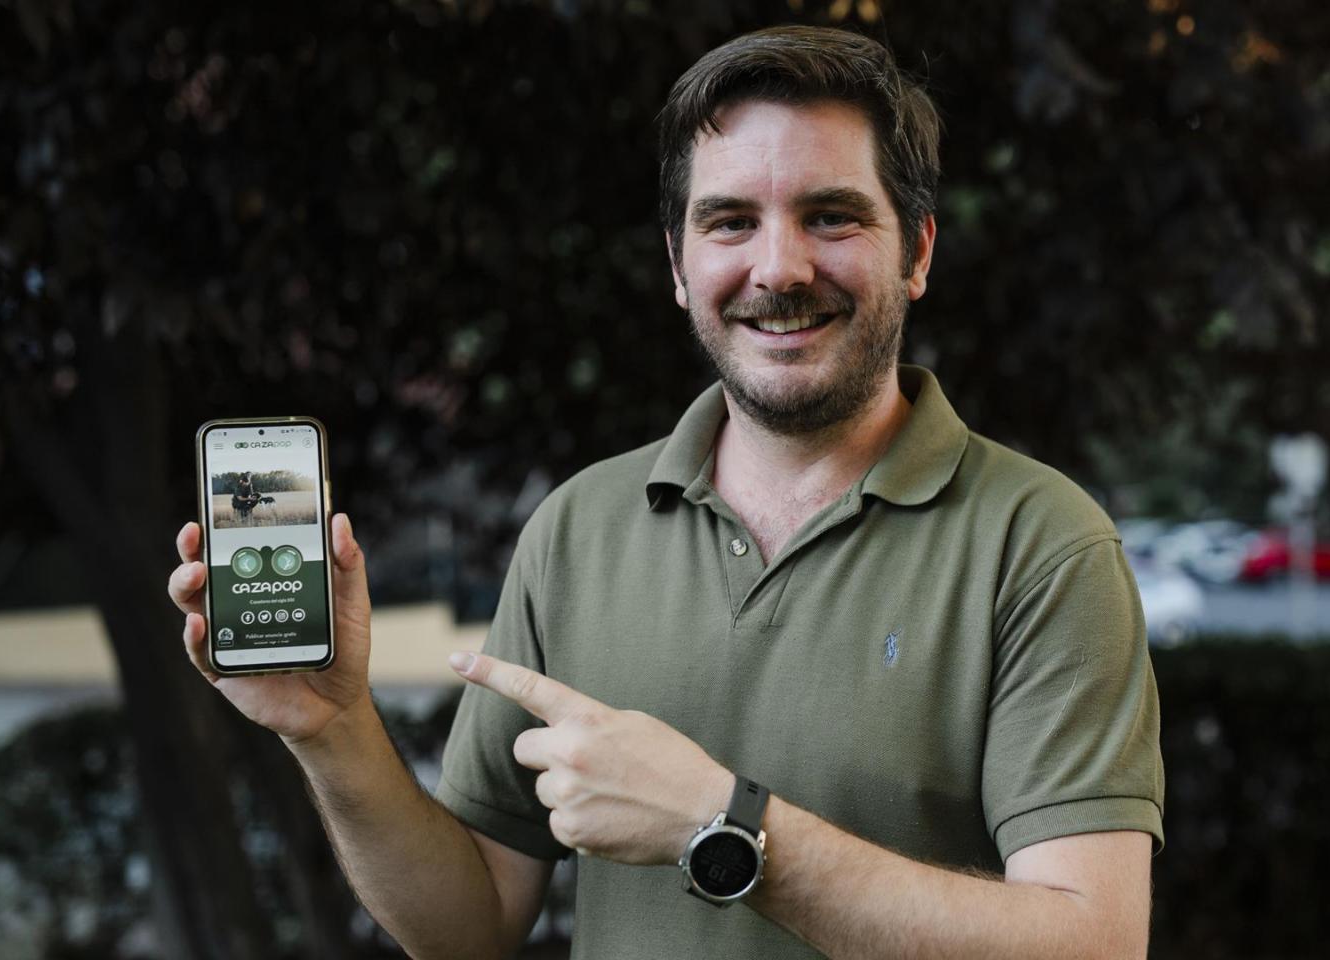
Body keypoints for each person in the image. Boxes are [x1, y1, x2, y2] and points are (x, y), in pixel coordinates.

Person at [167, 24, 1162, 959]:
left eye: (830, 216)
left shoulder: (1042, 545)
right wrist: (334, 732)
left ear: (918, 252)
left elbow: (1094, 941)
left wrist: (721, 827)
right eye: (730, 221)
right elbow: (470, 925)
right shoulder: (576, 529)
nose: (777, 266)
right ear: (679, 268)